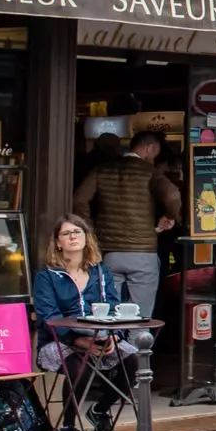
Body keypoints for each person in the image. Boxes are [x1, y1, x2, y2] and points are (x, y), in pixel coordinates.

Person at [32, 215, 139, 431]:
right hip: (59, 341)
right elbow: (48, 318)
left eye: (78, 232)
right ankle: (68, 426)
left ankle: (100, 411)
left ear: (86, 238)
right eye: (67, 233)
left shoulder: (101, 273)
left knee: (133, 360)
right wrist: (76, 340)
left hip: (100, 337)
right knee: (78, 366)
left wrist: (113, 336)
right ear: (58, 242)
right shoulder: (47, 277)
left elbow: (113, 306)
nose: (73, 237)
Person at [73, 130, 182, 323]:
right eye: (154, 153)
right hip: (143, 254)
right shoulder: (150, 172)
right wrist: (170, 216)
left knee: (108, 315)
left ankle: (114, 350)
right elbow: (172, 195)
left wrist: (90, 228)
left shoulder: (102, 170)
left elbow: (80, 199)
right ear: (150, 148)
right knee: (141, 317)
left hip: (109, 253)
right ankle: (137, 352)